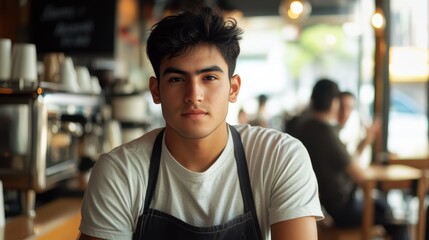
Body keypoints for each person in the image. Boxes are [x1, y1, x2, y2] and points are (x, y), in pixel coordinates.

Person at [78, 5, 323, 240]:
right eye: (176, 79)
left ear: (233, 88)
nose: (194, 94)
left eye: (209, 77)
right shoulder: (120, 172)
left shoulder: (279, 157)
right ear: (155, 90)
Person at [293, 79, 409, 240]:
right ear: (334, 103)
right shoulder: (324, 132)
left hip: (322, 206)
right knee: (394, 218)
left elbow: (345, 162)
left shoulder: (304, 127)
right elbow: (359, 175)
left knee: (383, 207)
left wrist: (365, 142)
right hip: (341, 209)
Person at [337, 91, 381, 166]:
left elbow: (350, 160)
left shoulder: (348, 127)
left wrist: (366, 140)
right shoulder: (331, 132)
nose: (345, 112)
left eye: (349, 108)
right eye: (341, 107)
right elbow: (348, 166)